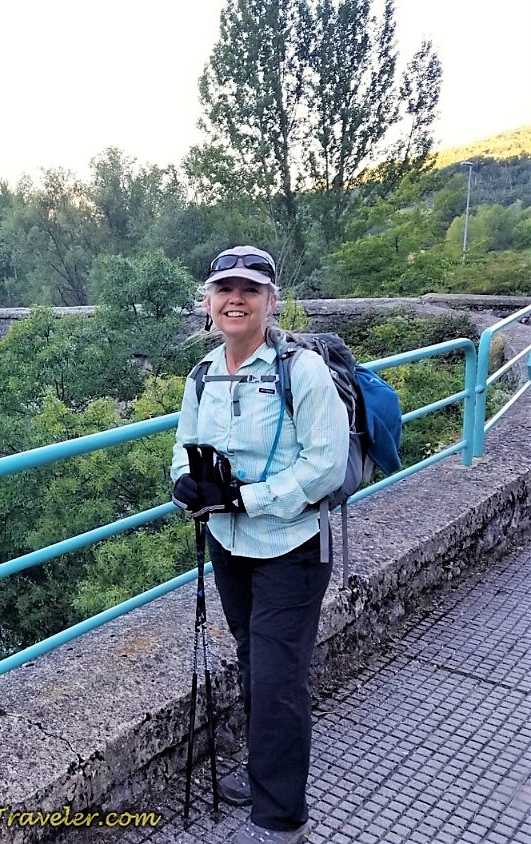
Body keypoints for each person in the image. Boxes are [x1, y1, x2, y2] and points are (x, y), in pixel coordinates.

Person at [170, 246, 349, 844]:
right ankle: (267, 771)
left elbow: (325, 465)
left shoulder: (302, 371)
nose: (236, 299)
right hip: (228, 544)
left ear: (271, 301)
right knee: (254, 662)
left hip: (291, 547)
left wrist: (252, 499)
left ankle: (279, 822)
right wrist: (184, 484)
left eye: (250, 289)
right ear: (209, 302)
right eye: (225, 289)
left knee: (277, 679)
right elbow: (184, 445)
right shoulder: (202, 375)